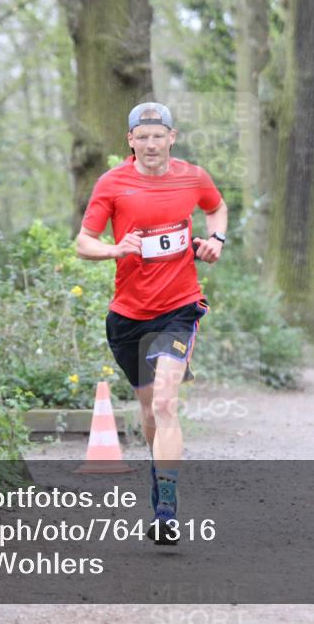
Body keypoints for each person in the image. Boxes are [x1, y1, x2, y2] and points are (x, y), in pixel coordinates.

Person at [76, 102, 227, 544]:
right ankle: (159, 471)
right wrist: (116, 249)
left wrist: (215, 239)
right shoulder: (113, 183)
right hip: (127, 317)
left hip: (179, 308)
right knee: (147, 410)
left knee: (164, 403)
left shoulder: (193, 177)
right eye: (142, 137)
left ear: (171, 137)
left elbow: (216, 208)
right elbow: (84, 242)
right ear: (130, 141)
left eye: (158, 135)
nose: (150, 144)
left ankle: (166, 510)